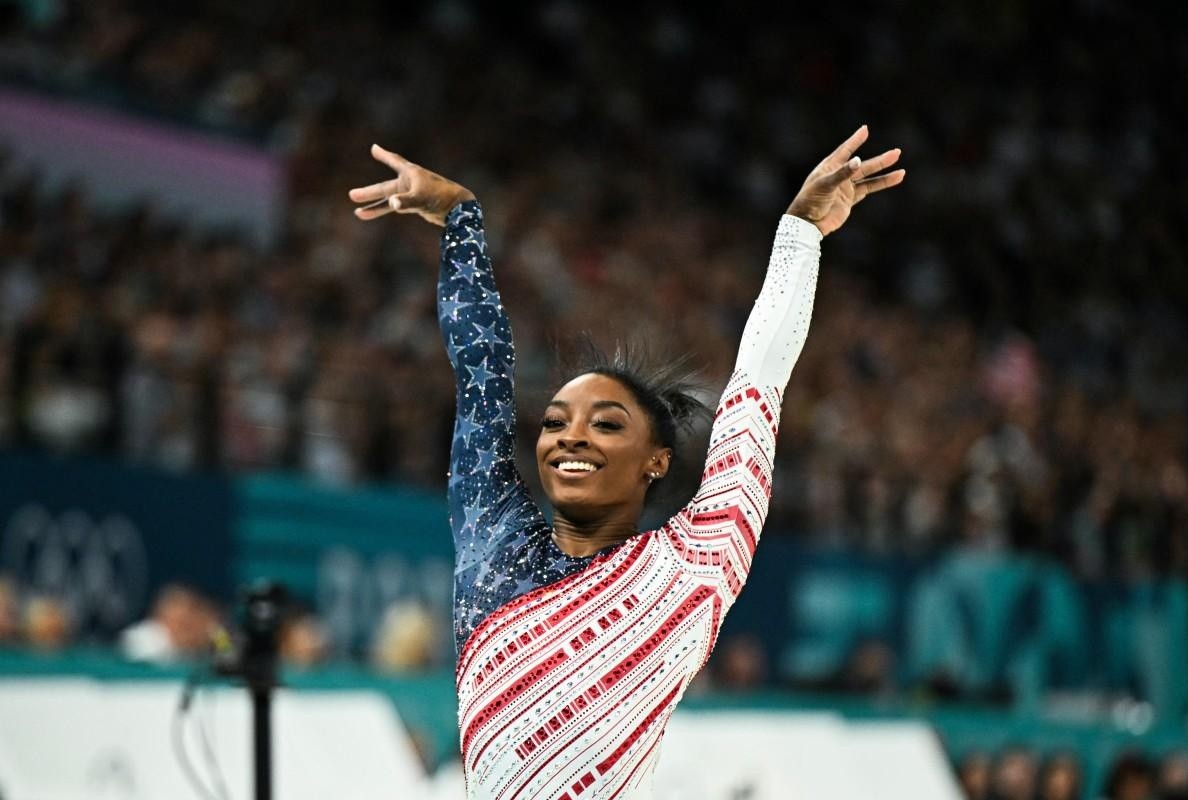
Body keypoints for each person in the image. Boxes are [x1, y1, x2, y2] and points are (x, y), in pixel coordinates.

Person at [349, 126, 904, 799]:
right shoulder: (490, 530)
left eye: (607, 424)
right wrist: (461, 218)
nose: (570, 437)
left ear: (656, 462)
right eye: (555, 422)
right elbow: (481, 372)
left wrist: (800, 236)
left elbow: (760, 379)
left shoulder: (693, 565)